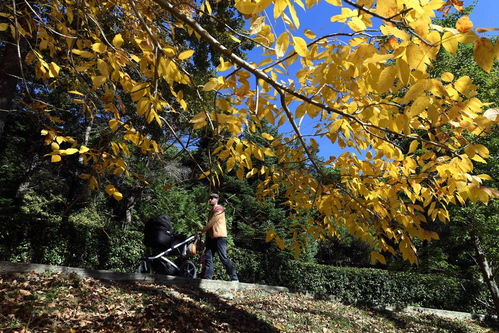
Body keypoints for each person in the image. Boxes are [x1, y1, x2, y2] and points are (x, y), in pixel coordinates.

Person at [199, 193, 238, 282]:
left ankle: (234, 278)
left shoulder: (219, 209)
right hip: (211, 238)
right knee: (208, 256)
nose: (209, 200)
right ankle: (208, 278)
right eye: (209, 198)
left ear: (216, 199)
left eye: (211, 198)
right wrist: (206, 239)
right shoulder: (211, 210)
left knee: (223, 258)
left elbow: (211, 223)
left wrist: (202, 230)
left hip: (220, 237)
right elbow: (210, 228)